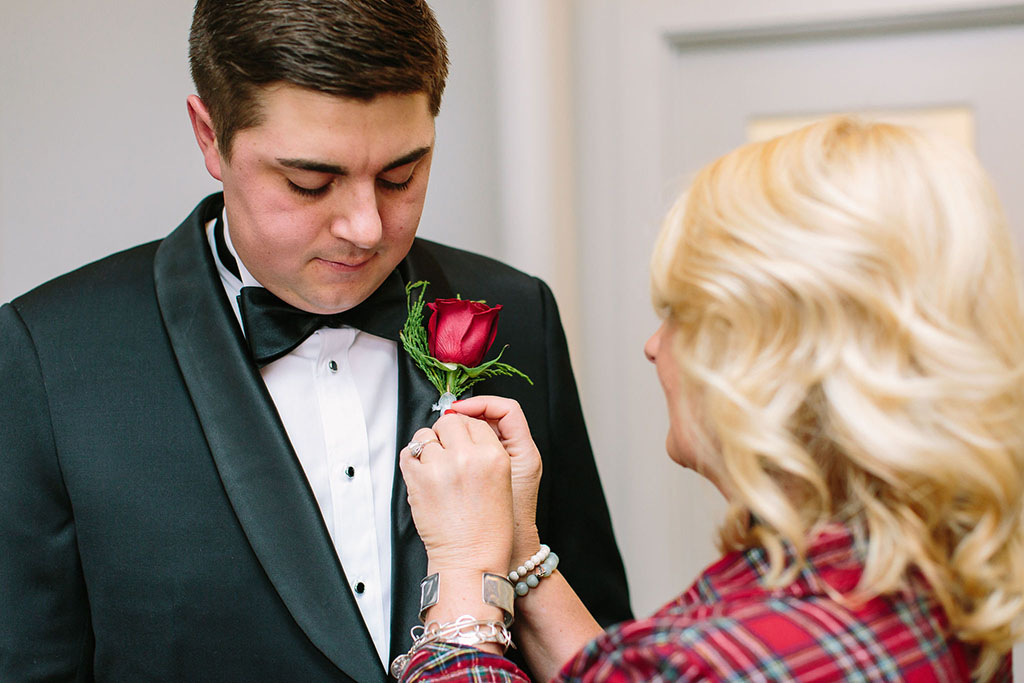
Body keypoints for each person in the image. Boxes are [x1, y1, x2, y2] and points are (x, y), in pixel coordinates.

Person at [0, 2, 630, 681]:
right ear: (210, 136)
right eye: (310, 182)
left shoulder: (516, 310)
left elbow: (598, 644)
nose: (365, 226)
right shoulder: (49, 354)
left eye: (401, 175)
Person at [395, 116, 1024, 682]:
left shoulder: (711, 660)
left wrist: (462, 569)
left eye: (678, 315)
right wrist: (522, 549)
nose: (653, 345)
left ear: (761, 359)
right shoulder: (936, 574)